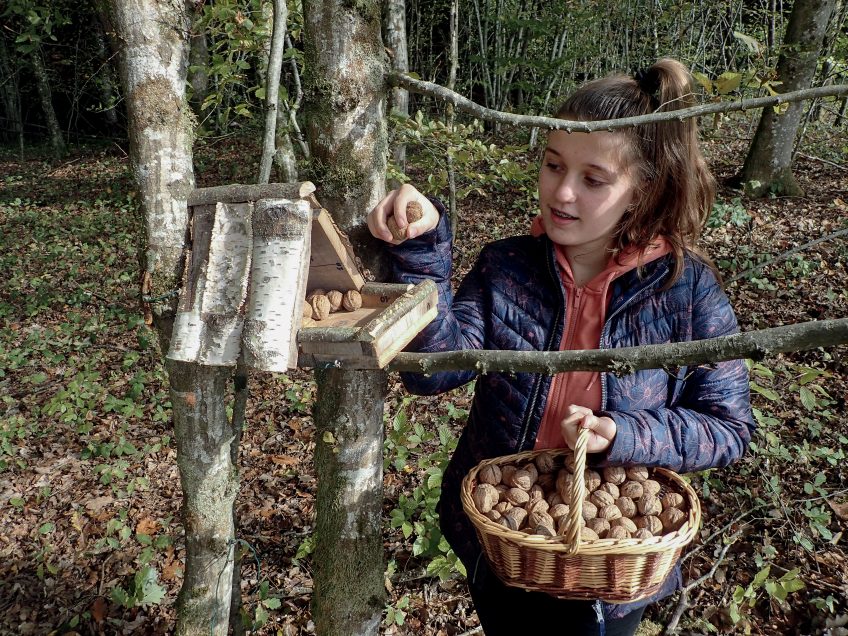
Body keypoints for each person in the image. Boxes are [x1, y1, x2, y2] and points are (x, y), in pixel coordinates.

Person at [367, 58, 755, 636]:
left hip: (615, 557)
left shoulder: (686, 292)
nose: (562, 191)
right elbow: (431, 371)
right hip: (503, 540)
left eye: (593, 179)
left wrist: (623, 435)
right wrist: (422, 248)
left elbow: (728, 427)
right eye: (552, 165)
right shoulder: (507, 268)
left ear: (643, 188)